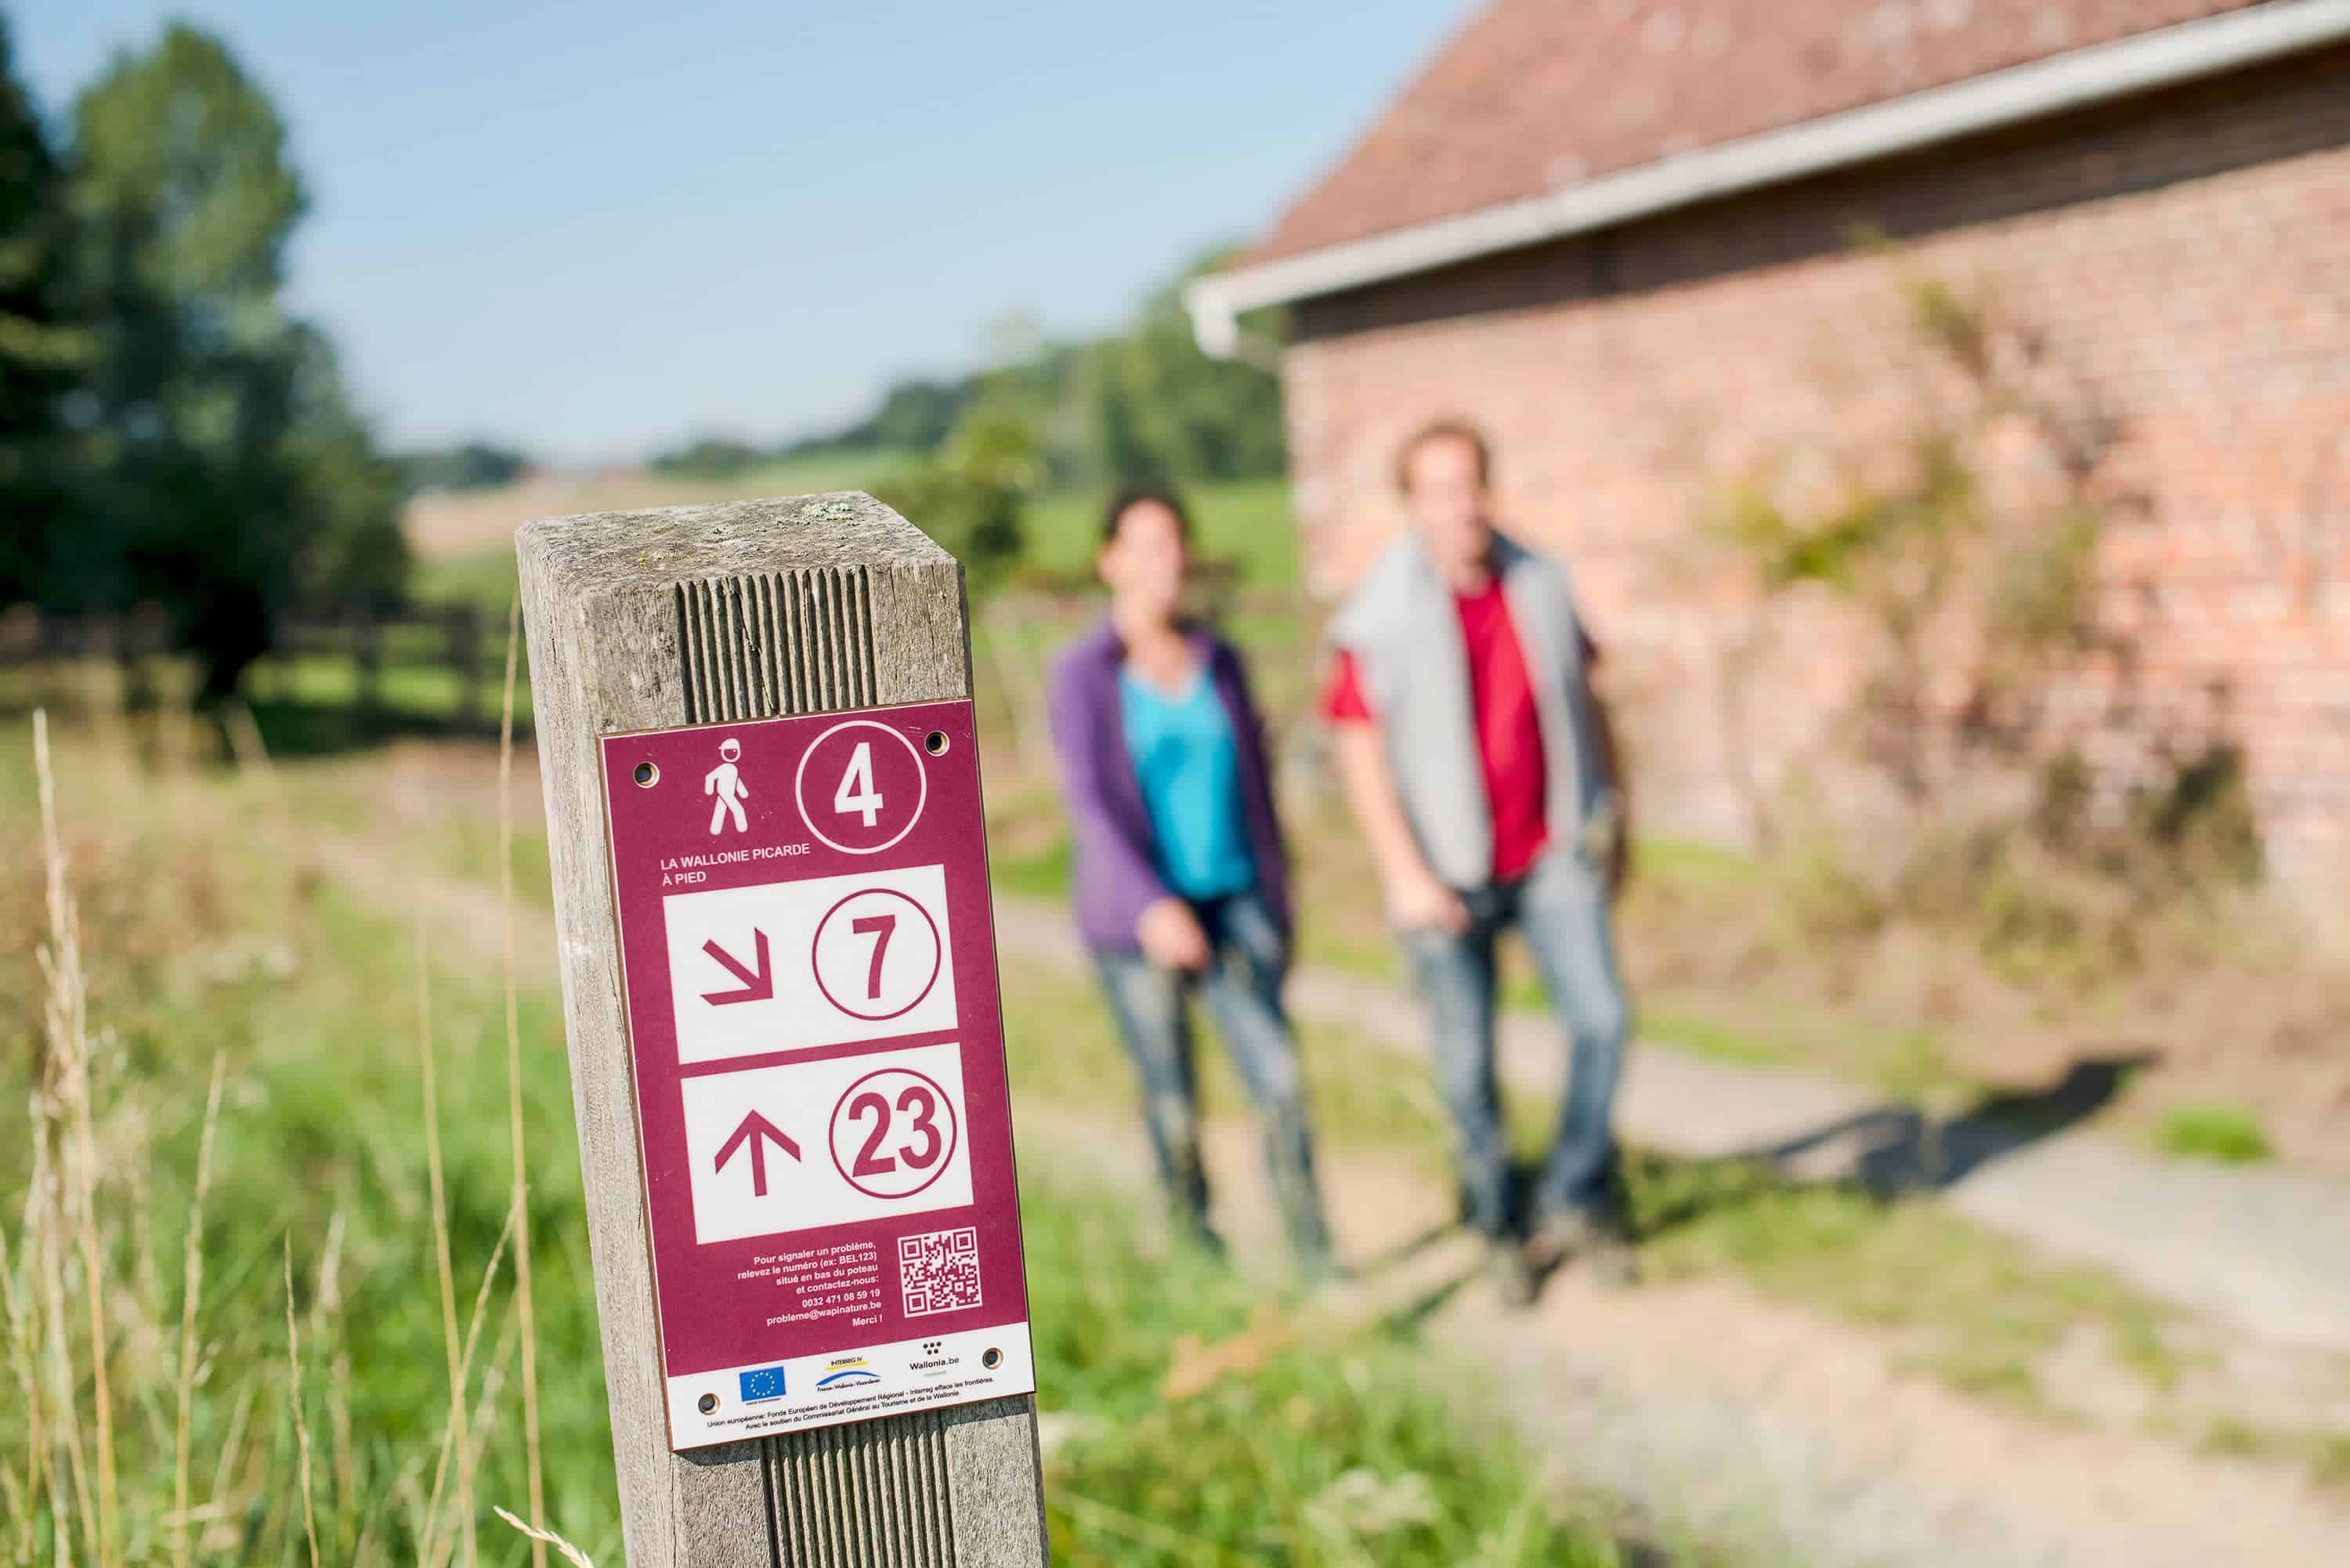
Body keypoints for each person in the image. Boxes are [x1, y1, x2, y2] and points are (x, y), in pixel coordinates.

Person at [1321, 418, 1632, 1306]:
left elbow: (1591, 699)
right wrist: (1407, 875)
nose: (1462, 506)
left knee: (1603, 1021)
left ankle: (1573, 1194)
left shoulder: (1541, 585)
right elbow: (1358, 746)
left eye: (1472, 485)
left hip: (1551, 850)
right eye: (1440, 490)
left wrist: (1618, 817)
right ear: (1414, 505)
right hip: (1444, 871)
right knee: (1466, 1066)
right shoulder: (1378, 615)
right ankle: (1496, 1223)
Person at [1048, 483, 1336, 1275]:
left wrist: (1281, 904)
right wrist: (1151, 905)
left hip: (1236, 898)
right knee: (1173, 1102)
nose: (1163, 561)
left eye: (1174, 542)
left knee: (1279, 1083)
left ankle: (1316, 1259)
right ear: (1110, 561)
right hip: (1136, 920)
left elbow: (1259, 792)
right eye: (1143, 544)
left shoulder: (1223, 659)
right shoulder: (1083, 673)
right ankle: (1197, 1258)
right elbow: (1091, 804)